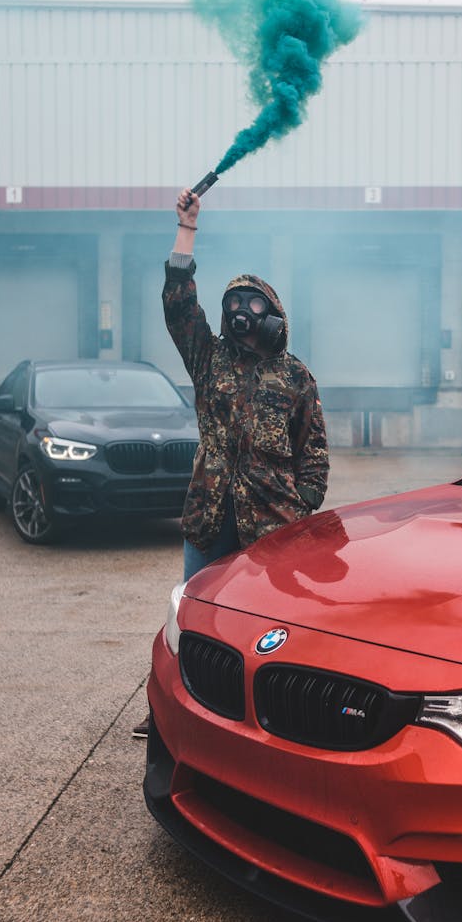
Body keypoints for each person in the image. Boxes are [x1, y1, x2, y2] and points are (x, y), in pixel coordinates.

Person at [133, 186, 330, 738]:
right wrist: (187, 231)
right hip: (208, 519)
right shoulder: (209, 356)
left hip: (271, 529)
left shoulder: (295, 376)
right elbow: (178, 307)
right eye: (234, 305)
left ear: (275, 316)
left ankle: (271, 721)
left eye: (253, 305)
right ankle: (174, 714)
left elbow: (314, 455)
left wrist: (297, 508)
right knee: (194, 621)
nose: (242, 313)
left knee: (273, 629)